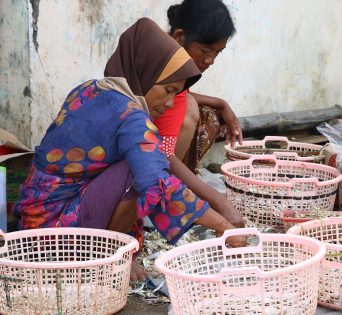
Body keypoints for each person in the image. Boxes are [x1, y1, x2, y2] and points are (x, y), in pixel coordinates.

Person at [13, 18, 245, 281]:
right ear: (144, 72)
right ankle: (109, 261)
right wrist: (222, 225)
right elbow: (158, 182)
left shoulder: (90, 90)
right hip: (54, 236)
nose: (170, 104)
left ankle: (115, 252)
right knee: (136, 174)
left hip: (32, 223)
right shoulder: (132, 117)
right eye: (168, 91)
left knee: (138, 167)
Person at [154, 0, 243, 168]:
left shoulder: (174, 60)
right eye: (206, 51)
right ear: (180, 37)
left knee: (207, 113)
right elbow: (166, 159)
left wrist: (221, 104)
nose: (211, 60)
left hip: (160, 157)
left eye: (218, 52)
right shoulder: (157, 62)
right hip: (144, 160)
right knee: (191, 108)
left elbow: (180, 93)